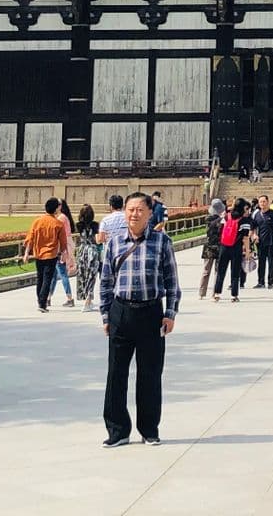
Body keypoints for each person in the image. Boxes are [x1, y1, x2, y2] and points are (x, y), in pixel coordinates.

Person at [100, 192, 181, 448]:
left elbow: (172, 281)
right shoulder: (114, 243)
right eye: (130, 209)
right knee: (116, 374)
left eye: (139, 210)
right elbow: (106, 281)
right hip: (121, 312)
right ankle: (117, 430)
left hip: (151, 314)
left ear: (149, 214)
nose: (134, 214)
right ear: (124, 212)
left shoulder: (161, 242)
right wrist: (105, 314)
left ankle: (149, 429)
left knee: (150, 373)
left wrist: (170, 313)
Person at [22, 199, 67, 313]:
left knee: (40, 278)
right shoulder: (58, 224)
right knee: (47, 279)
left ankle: (40, 300)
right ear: (56, 208)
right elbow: (63, 242)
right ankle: (42, 302)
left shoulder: (37, 221)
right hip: (51, 255)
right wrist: (63, 254)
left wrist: (27, 253)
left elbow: (30, 238)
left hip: (38, 254)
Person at [72, 204, 102, 310]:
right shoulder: (96, 225)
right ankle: (88, 299)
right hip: (92, 251)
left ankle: (86, 298)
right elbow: (98, 240)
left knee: (82, 275)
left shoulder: (78, 225)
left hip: (82, 251)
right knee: (91, 276)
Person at [252, 195, 273, 289]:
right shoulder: (256, 215)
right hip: (261, 242)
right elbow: (254, 228)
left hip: (272, 241)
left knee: (271, 262)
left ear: (268, 202)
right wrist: (255, 235)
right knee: (261, 262)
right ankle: (260, 282)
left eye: (264, 201)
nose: (262, 204)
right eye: (260, 202)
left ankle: (270, 282)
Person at [200, 199, 226, 298]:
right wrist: (220, 219)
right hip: (209, 247)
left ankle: (215, 292)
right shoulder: (209, 218)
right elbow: (210, 227)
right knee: (206, 270)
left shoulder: (224, 219)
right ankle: (202, 292)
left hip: (220, 245)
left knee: (218, 271)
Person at [52, 197, 76, 307]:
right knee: (54, 274)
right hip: (66, 245)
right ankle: (48, 297)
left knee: (62, 273)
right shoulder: (64, 217)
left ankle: (69, 298)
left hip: (62, 247)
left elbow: (58, 235)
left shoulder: (61, 218)